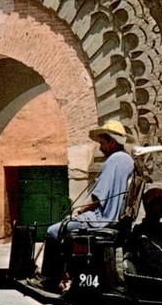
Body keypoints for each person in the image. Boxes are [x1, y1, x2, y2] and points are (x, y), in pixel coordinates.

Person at [34, 120, 134, 288]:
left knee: (53, 231)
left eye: (102, 142)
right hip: (113, 220)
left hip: (102, 219)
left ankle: (50, 280)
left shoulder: (115, 160)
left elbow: (98, 198)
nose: (100, 147)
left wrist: (79, 211)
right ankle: (65, 274)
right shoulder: (127, 160)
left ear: (112, 141)